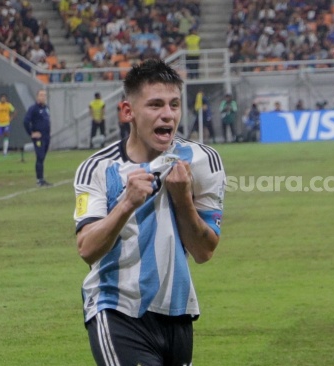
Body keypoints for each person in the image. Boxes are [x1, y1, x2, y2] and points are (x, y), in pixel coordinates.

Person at [73, 59, 225, 365]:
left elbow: (204, 251)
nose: (167, 115)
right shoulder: (97, 168)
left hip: (177, 310)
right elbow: (87, 248)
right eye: (155, 105)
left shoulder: (203, 161)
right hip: (115, 308)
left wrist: (182, 199)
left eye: (174, 105)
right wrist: (126, 203)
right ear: (129, 111)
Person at [24, 90, 52, 187]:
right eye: (41, 95)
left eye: (44, 95)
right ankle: (39, 180)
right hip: (39, 138)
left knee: (42, 157)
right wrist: (31, 133)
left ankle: (41, 178)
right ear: (37, 97)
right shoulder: (33, 108)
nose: (43, 97)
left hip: (46, 136)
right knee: (39, 157)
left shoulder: (46, 108)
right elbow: (26, 121)